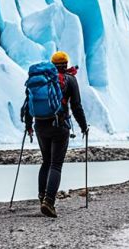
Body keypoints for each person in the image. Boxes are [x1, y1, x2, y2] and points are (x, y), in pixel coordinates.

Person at [22, 51, 88, 218]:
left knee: (46, 161)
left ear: (52, 64)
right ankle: (49, 202)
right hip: (59, 125)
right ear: (66, 64)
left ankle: (41, 197)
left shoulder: (41, 81)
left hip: (40, 125)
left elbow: (28, 103)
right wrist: (83, 126)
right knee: (56, 165)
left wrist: (29, 125)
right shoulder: (70, 80)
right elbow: (77, 106)